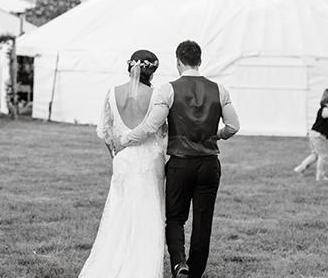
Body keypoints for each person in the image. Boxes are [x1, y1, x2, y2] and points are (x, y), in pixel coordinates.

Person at [119, 40, 239, 278]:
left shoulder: (168, 89)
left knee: (175, 217)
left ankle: (179, 264)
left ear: (178, 62)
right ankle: (195, 272)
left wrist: (126, 139)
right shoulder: (220, 89)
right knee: (203, 221)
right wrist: (219, 135)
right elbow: (233, 125)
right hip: (209, 163)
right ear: (200, 61)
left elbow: (151, 125)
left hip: (180, 163)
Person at [80, 50, 166, 277]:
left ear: (130, 67)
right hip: (149, 161)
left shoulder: (111, 93)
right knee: (149, 214)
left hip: (124, 160)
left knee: (119, 213)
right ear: (153, 70)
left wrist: (116, 156)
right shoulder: (156, 96)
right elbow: (162, 133)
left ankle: (111, 264)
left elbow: (105, 132)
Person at [293, 89, 328, 181]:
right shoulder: (325, 110)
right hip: (317, 135)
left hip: (314, 134)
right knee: (323, 156)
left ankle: (300, 168)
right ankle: (320, 176)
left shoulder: (325, 109)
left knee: (315, 155)